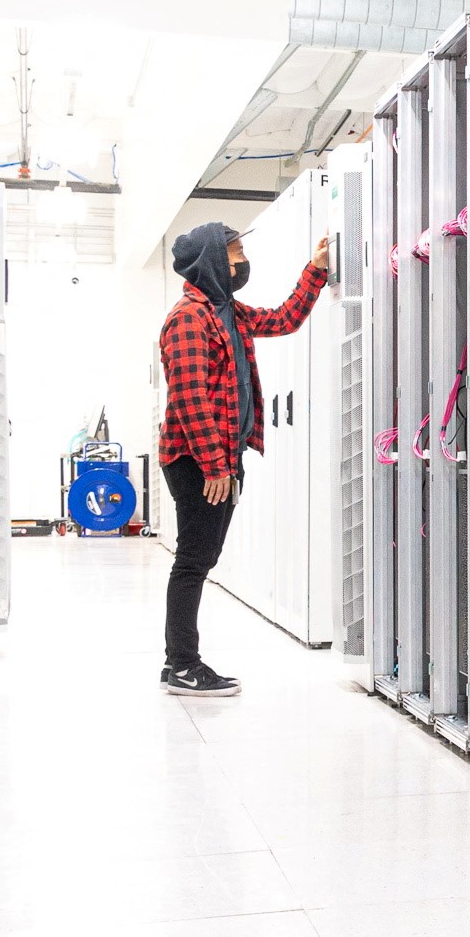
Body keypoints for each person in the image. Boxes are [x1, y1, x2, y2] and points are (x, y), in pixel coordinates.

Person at [156, 220, 331, 695]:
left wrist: (314, 272)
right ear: (211, 260)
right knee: (193, 561)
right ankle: (182, 665)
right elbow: (189, 400)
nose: (240, 263)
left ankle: (179, 663)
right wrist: (216, 466)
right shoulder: (188, 319)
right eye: (234, 254)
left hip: (220, 459)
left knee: (200, 557)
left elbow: (282, 320)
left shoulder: (225, 311)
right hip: (197, 461)